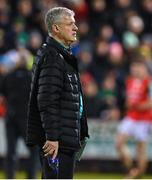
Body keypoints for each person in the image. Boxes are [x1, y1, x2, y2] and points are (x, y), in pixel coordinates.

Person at [26, 7, 89, 179]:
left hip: (64, 139)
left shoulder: (61, 55)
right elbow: (47, 100)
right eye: (70, 24)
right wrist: (52, 137)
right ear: (56, 28)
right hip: (57, 142)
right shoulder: (53, 57)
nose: (75, 28)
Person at [0, 53, 38, 179]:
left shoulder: (8, 77)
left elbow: (3, 96)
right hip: (27, 119)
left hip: (11, 117)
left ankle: (10, 176)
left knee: (11, 151)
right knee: (33, 150)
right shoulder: (32, 77)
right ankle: (30, 176)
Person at [116, 58, 152, 179]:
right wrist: (128, 104)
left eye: (138, 67)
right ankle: (131, 170)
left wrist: (135, 105)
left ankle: (138, 174)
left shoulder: (149, 82)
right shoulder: (130, 81)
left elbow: (150, 103)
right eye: (133, 67)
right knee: (119, 143)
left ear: (144, 68)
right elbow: (128, 100)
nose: (135, 70)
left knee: (140, 148)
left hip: (144, 119)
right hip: (131, 116)